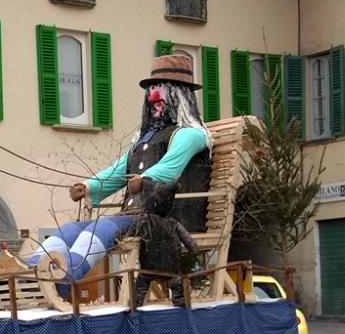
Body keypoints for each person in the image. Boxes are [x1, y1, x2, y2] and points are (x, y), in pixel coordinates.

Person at [26, 53, 212, 285]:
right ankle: (30, 274)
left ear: (180, 96)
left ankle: (64, 280)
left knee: (102, 228)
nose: (154, 95)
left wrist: (144, 180)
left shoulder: (191, 135)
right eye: (151, 89)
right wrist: (87, 186)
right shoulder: (144, 140)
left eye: (161, 89)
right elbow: (117, 172)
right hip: (137, 217)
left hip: (167, 217)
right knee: (70, 229)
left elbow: (170, 169)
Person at [116, 179, 200, 307]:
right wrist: (194, 250)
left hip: (149, 266)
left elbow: (132, 230)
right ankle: (180, 302)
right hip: (171, 266)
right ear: (170, 205)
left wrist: (118, 236)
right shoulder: (173, 224)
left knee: (142, 282)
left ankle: (136, 302)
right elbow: (190, 242)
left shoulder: (146, 222)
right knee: (176, 283)